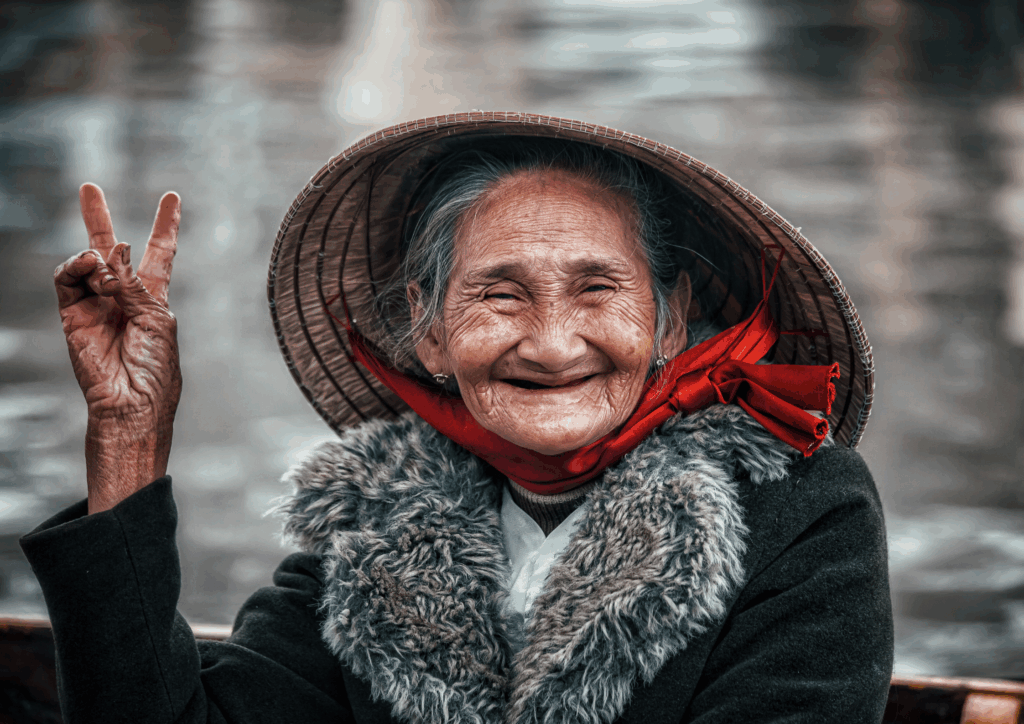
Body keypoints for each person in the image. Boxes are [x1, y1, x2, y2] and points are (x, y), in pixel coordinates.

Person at [21, 112, 893, 723]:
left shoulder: (800, 511)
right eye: (499, 295)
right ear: (430, 331)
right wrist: (129, 432)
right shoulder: (372, 530)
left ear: (670, 321)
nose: (551, 345)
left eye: (598, 289)